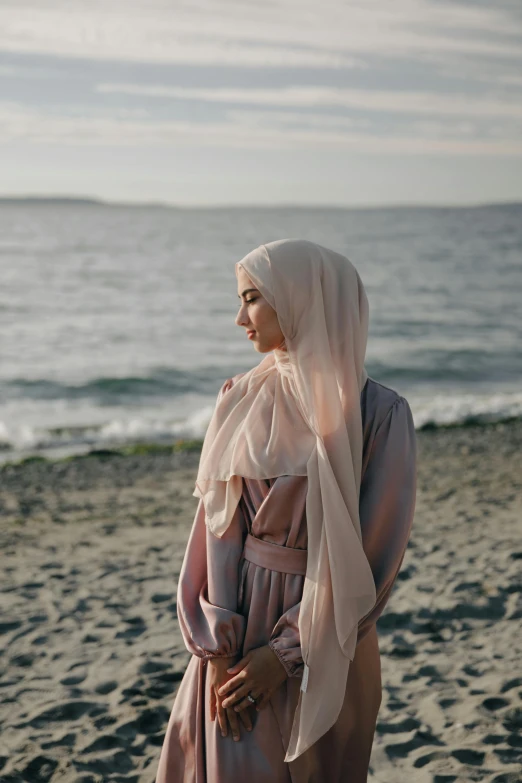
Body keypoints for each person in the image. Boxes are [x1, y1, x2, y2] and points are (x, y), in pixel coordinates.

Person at [155, 239, 417, 782]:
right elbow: (216, 533)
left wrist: (287, 653)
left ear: (302, 300)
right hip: (238, 628)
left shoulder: (380, 415)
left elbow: (374, 561)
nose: (238, 318)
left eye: (252, 299)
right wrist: (218, 651)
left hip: (332, 638)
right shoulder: (237, 396)